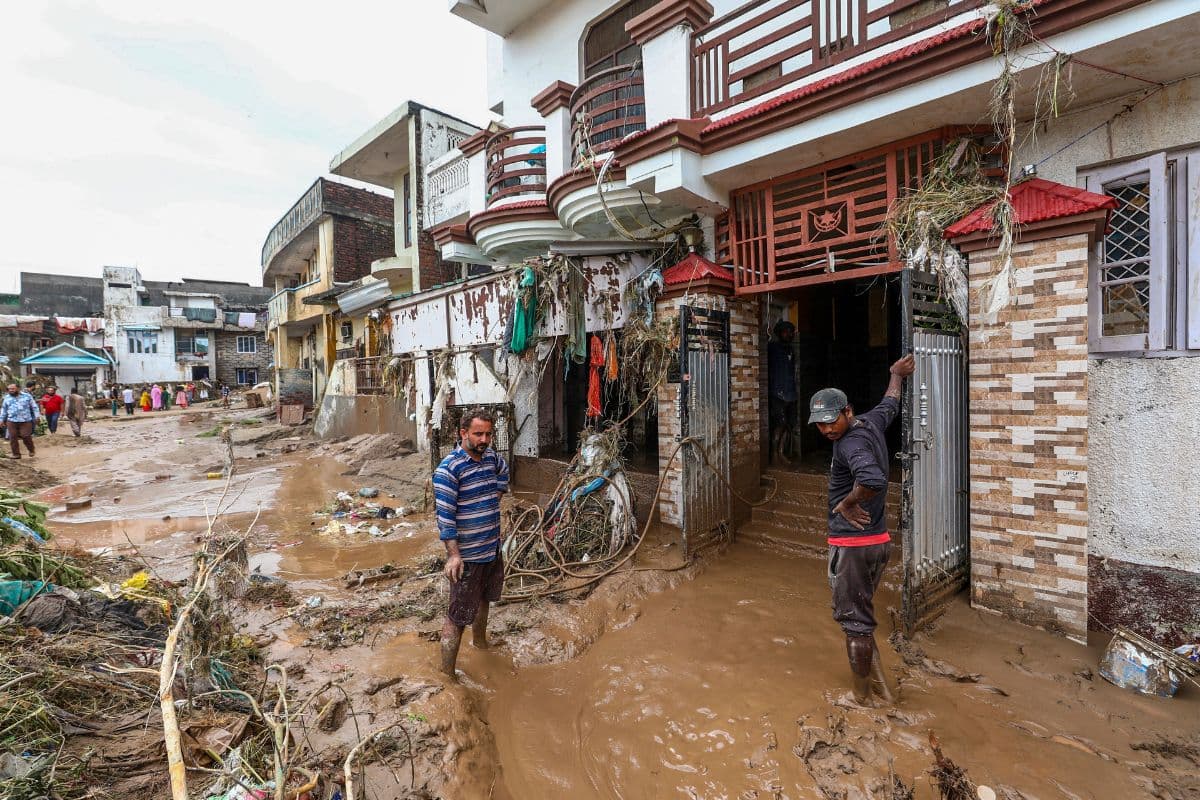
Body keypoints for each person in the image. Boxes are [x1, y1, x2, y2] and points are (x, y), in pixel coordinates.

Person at [809, 353, 915, 706]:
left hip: (854, 545)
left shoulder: (850, 443)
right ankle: (884, 692)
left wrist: (850, 502)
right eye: (821, 424)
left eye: (831, 421)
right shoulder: (870, 423)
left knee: (854, 623)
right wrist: (895, 374)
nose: (826, 430)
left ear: (847, 411)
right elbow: (891, 404)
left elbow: (871, 477)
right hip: (878, 542)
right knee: (862, 618)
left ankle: (859, 697)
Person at [432, 408, 510, 680]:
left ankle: (480, 644)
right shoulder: (448, 470)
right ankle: (447, 675)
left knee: (485, 599)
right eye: (478, 434)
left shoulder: (491, 458)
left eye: (488, 433)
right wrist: (454, 556)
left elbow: (503, 472)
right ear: (462, 433)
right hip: (468, 556)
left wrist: (492, 498)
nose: (484, 439)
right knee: (457, 616)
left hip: (491, 549)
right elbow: (445, 519)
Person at [768, 320, 798, 465]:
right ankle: (775, 454)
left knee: (789, 424)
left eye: (791, 331)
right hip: (777, 393)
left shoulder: (791, 349)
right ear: (780, 333)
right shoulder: (773, 348)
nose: (789, 334)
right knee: (779, 424)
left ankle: (781, 452)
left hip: (790, 393)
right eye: (786, 331)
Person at [1, 383, 40, 459]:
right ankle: (16, 454)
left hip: (25, 420)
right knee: (12, 437)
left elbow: (34, 407)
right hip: (11, 420)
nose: (11, 390)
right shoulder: (6, 398)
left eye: (13, 389)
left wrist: (37, 416)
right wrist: (1, 420)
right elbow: (4, 410)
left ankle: (31, 449)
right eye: (9, 389)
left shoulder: (27, 396)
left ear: (18, 388)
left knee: (25, 436)